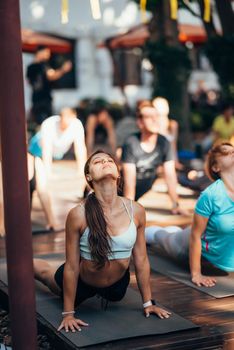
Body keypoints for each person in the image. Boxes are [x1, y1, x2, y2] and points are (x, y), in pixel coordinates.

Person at [34, 150, 171, 332]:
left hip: (116, 288)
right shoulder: (78, 214)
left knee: (116, 291)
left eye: (109, 160)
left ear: (118, 173)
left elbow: (141, 260)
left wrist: (148, 303)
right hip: (83, 283)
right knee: (45, 273)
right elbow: (72, 266)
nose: (105, 162)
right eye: (98, 161)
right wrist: (68, 314)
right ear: (89, 176)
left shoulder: (136, 210)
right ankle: (22, 263)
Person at [145, 142, 234, 287]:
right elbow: (195, 236)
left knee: (177, 232)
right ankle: (146, 232)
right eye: (226, 152)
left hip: (215, 244)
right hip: (189, 247)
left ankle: (174, 231)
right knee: (163, 238)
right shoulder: (211, 195)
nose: (232, 152)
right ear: (216, 167)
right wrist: (196, 273)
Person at [121, 106, 188, 215]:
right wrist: (130, 210)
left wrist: (175, 204)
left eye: (157, 116)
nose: (155, 120)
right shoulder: (131, 143)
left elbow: (170, 175)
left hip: (139, 194)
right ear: (140, 122)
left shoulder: (164, 142)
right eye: (150, 117)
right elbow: (129, 182)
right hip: (119, 195)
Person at [29, 107, 87, 197]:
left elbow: (80, 147)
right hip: (38, 147)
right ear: (60, 118)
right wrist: (49, 172)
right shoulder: (49, 124)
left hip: (58, 150)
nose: (66, 125)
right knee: (36, 165)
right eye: (64, 123)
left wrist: (82, 169)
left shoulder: (76, 124)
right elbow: (46, 149)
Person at [0, 152, 57, 236]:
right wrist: (1, 224)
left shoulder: (36, 162)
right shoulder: (2, 165)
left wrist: (51, 221)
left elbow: (43, 193)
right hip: (6, 219)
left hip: (22, 220)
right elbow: (1, 198)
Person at [26, 45, 72, 125]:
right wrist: (63, 70)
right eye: (47, 53)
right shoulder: (43, 66)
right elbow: (51, 76)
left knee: (39, 123)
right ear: (40, 52)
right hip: (45, 99)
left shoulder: (30, 67)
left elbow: (29, 82)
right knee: (48, 124)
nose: (48, 55)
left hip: (35, 99)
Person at [152, 97, 182, 169]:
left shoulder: (173, 125)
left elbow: (173, 145)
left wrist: (176, 162)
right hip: (157, 162)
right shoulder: (153, 126)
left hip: (169, 161)